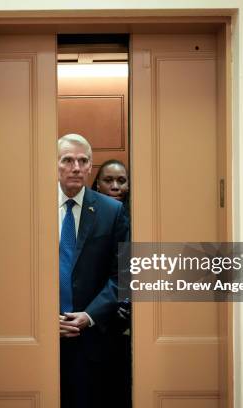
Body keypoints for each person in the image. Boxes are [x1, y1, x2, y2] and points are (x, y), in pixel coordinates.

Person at [58, 134, 129, 408]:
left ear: (90, 168)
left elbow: (123, 273)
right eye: (67, 160)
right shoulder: (32, 207)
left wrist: (90, 315)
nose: (76, 167)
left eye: (83, 161)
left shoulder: (112, 211)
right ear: (55, 165)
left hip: (93, 339)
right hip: (40, 338)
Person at [92, 159, 132, 408]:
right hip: (100, 314)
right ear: (97, 185)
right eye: (108, 180)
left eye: (121, 180)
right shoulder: (92, 218)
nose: (115, 186)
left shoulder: (143, 216)